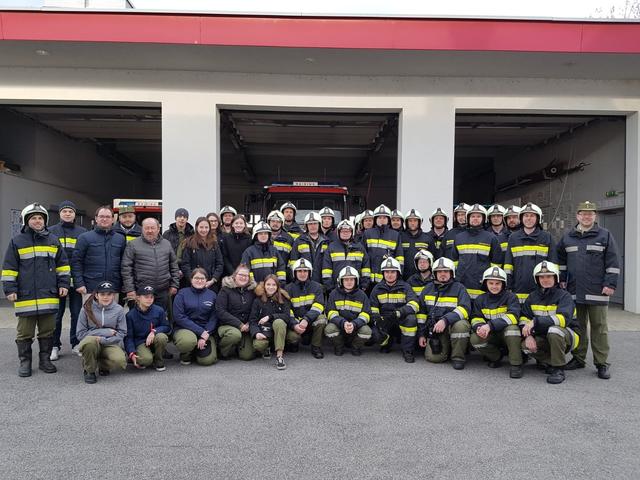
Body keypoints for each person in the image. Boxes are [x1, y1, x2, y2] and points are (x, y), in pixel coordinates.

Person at [2, 203, 70, 377]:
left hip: (48, 295)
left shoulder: (53, 240)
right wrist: (9, 289)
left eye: (40, 218)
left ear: (45, 220)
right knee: (24, 332)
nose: (38, 221)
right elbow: (9, 268)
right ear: (27, 221)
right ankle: (25, 362)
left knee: (48, 330)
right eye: (33, 218)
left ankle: (45, 360)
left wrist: (63, 284)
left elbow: (62, 266)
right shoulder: (17, 241)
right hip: (26, 296)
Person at [557, 201, 620, 379]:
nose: (586, 216)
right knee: (578, 326)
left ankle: (601, 363)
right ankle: (578, 358)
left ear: (595, 216)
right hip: (574, 290)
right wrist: (561, 280)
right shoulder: (568, 236)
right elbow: (560, 260)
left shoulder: (604, 235)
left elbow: (613, 262)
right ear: (577, 216)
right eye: (583, 213)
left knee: (599, 327)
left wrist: (610, 284)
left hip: (598, 291)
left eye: (590, 214)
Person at [520, 261, 580, 384]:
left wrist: (535, 322)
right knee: (525, 346)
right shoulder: (532, 297)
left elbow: (562, 319)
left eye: (549, 276)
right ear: (537, 279)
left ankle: (558, 369)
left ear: (555, 278)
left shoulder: (564, 296)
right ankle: (548, 361)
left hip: (567, 336)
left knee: (555, 330)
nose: (545, 279)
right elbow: (524, 318)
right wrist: (529, 336)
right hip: (543, 336)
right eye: (541, 277)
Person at [417, 257, 471, 370]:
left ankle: (458, 357)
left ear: (451, 273)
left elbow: (465, 309)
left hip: (452, 326)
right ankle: (448, 347)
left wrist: (445, 320)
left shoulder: (459, 288)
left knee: (461, 325)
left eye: (446, 271)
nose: (442, 274)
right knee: (434, 358)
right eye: (439, 271)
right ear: (434, 273)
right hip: (436, 329)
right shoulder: (427, 289)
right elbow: (421, 313)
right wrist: (422, 334)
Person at [49, 200, 86, 360]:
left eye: (70, 211)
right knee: (56, 315)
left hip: (76, 281)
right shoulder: (51, 231)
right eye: (65, 211)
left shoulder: (82, 232)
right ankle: (54, 346)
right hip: (57, 281)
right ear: (60, 214)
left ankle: (76, 343)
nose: (68, 214)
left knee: (77, 314)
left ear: (74, 214)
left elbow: (85, 257)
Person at [469, 266, 523, 378]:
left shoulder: (511, 297)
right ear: (485, 284)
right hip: (491, 335)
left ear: (503, 284)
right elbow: (475, 317)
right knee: (475, 339)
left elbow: (513, 316)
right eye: (491, 283)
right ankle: (496, 357)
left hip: (506, 335)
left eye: (497, 283)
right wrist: (479, 327)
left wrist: (490, 325)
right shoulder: (480, 299)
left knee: (512, 330)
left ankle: (516, 364)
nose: (494, 286)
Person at [121, 218, 180, 314]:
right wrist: (130, 289)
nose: (149, 231)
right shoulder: (133, 245)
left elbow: (174, 266)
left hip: (162, 292)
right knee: (140, 321)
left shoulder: (166, 244)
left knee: (159, 320)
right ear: (142, 229)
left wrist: (174, 284)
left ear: (158, 229)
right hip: (140, 293)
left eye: (152, 228)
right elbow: (126, 268)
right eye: (146, 228)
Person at [504, 203, 556, 305]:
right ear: (521, 218)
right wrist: (508, 286)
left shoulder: (546, 237)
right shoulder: (513, 238)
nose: (529, 218)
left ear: (538, 218)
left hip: (541, 288)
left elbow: (553, 263)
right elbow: (508, 265)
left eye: (532, 216)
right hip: (518, 287)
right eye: (526, 216)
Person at [72, 205, 126, 303]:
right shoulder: (84, 238)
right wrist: (79, 283)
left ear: (113, 219)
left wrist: (123, 285)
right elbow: (76, 262)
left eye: (108, 217)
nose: (104, 219)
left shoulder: (120, 239)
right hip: (91, 288)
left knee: (112, 317)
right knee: (92, 317)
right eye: (101, 216)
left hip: (113, 288)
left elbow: (124, 264)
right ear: (96, 218)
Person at [370, 257, 419, 363]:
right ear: (383, 273)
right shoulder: (377, 289)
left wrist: (399, 312)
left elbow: (414, 304)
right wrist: (377, 320)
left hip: (400, 317)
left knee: (411, 319)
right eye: (387, 272)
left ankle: (408, 351)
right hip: (386, 319)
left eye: (393, 272)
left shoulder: (405, 287)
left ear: (398, 273)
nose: (389, 274)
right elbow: (373, 308)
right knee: (376, 334)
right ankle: (387, 342)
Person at [76, 281, 127, 384]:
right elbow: (80, 334)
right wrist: (106, 331)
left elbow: (122, 333)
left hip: (109, 342)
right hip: (92, 341)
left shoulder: (119, 310)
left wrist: (103, 339)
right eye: (102, 294)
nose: (105, 297)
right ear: (96, 295)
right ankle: (89, 370)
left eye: (109, 294)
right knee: (90, 343)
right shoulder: (86, 308)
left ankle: (101, 365)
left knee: (120, 360)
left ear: (113, 295)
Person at [451, 203, 501, 300]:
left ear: (484, 219)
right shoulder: (459, 238)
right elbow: (454, 262)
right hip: (462, 284)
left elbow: (496, 265)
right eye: (473, 216)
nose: (475, 218)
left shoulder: (491, 238)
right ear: (468, 218)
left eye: (478, 216)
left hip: (482, 285)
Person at [249, 274, 297, 370]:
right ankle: (269, 347)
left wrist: (270, 317)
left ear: (277, 286)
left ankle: (279, 357)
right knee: (258, 345)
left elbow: (287, 316)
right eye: (268, 284)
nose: (271, 287)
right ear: (264, 286)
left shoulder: (283, 298)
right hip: (265, 331)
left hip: (280, 329)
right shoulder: (257, 300)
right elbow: (252, 320)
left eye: (274, 285)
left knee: (292, 335)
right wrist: (256, 333)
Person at [172, 268, 219, 366]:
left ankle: (196, 351)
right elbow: (179, 317)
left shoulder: (212, 295)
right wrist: (200, 332)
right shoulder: (182, 294)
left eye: (202, 278)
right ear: (191, 279)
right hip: (185, 329)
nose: (199, 280)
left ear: (206, 280)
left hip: (206, 331)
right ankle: (186, 354)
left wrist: (206, 333)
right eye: (196, 278)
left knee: (207, 361)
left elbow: (214, 317)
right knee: (187, 341)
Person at [325, 266, 372, 356]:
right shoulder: (334, 294)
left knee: (367, 331)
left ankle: (355, 347)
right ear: (341, 281)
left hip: (356, 326)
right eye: (346, 280)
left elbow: (366, 314)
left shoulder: (362, 295)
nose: (349, 282)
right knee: (329, 329)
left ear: (356, 281)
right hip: (339, 325)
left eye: (352, 279)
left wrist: (354, 324)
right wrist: (343, 323)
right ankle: (339, 346)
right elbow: (330, 312)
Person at [285, 258, 327, 359]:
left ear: (309, 272)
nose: (302, 273)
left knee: (321, 319)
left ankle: (316, 347)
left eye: (305, 271)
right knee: (293, 337)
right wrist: (294, 324)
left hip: (310, 321)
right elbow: (286, 310)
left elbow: (319, 306)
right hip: (295, 323)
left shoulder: (317, 287)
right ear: (294, 273)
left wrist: (306, 319)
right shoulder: (288, 288)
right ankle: (294, 342)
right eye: (299, 271)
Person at [215, 264, 257, 360]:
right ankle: (222, 351)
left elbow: (256, 310)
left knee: (247, 356)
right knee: (235, 335)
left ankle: (239, 347)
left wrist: (249, 323)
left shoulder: (252, 291)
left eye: (246, 276)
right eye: (241, 275)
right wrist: (239, 324)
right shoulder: (225, 290)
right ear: (234, 275)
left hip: (246, 327)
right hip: (228, 326)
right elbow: (220, 311)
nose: (243, 277)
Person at [124, 285, 170, 372]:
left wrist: (154, 331)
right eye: (146, 297)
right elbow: (129, 337)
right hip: (140, 342)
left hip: (154, 339)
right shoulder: (130, 315)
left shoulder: (159, 310)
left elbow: (167, 327)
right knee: (145, 360)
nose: (149, 299)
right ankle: (145, 355)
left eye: (151, 297)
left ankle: (158, 360)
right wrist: (131, 352)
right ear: (138, 298)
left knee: (162, 337)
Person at [322, 219, 371, 292]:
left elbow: (365, 268)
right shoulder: (331, 248)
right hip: (336, 289)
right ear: (338, 233)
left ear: (352, 232)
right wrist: (330, 287)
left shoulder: (360, 248)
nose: (345, 233)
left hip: (356, 290)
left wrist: (364, 285)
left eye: (348, 231)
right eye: (342, 231)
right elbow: (326, 270)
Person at [362, 204, 404, 287]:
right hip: (368, 281)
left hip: (387, 281)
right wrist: (364, 280)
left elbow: (399, 258)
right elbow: (362, 257)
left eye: (384, 217)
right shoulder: (368, 233)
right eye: (379, 217)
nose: (382, 220)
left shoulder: (395, 235)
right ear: (375, 219)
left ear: (388, 219)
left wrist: (398, 277)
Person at [180, 216, 224, 291]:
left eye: (206, 227)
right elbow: (185, 264)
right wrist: (192, 280)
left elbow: (220, 263)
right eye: (201, 227)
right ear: (197, 227)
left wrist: (213, 280)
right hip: (192, 285)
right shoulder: (189, 243)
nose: (204, 230)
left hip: (211, 284)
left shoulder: (214, 243)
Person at [241, 221, 286, 286]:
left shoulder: (274, 251)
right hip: (255, 290)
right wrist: (254, 286)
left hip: (272, 289)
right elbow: (245, 271)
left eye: (265, 233)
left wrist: (280, 285)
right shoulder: (249, 252)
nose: (263, 236)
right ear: (256, 236)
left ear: (269, 235)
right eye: (260, 234)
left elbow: (281, 268)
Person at [290, 212, 329, 284]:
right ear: (306, 226)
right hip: (303, 282)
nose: (312, 226)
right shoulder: (299, 241)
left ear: (319, 225)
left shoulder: (326, 242)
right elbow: (293, 262)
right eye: (310, 224)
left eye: (315, 223)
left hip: (321, 281)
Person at [400, 209, 431, 281]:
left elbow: (432, 258)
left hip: (422, 277)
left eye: (415, 221)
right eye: (410, 221)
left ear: (419, 222)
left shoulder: (427, 238)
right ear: (406, 223)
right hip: (403, 277)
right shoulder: (400, 237)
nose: (412, 223)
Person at [267, 210, 294, 279]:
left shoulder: (289, 239)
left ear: (282, 223)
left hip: (283, 276)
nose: (275, 224)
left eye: (278, 222)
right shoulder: (262, 237)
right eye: (273, 221)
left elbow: (291, 259)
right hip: (265, 275)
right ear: (268, 222)